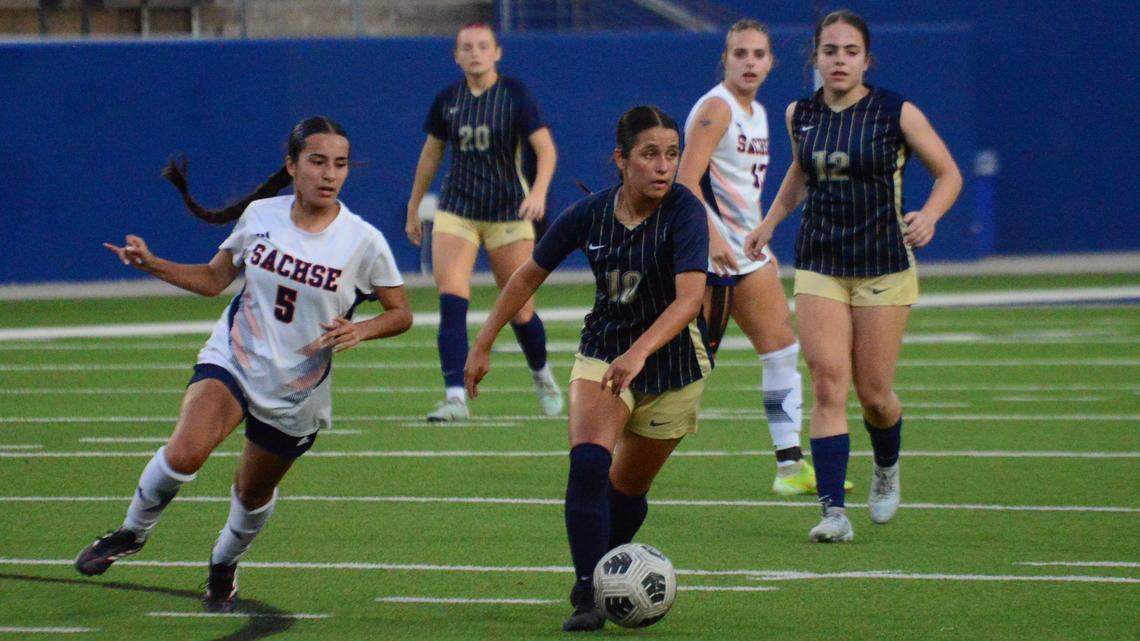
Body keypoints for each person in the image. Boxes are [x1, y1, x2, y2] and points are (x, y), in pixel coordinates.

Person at [74, 117, 413, 610]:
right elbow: (215, 280)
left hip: (296, 387)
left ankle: (224, 562)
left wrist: (361, 328)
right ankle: (130, 532)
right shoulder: (260, 217)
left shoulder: (363, 240)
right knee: (185, 452)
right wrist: (154, 264)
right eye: (317, 161)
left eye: (339, 164)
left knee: (251, 495)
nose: (329, 174)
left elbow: (401, 312)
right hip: (234, 357)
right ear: (292, 165)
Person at [465, 106, 710, 632]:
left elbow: (690, 300)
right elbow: (525, 278)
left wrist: (641, 352)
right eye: (649, 154)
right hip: (604, 352)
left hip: (673, 365)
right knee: (588, 466)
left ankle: (611, 569)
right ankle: (586, 592)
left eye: (672, 154)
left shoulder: (687, 212)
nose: (663, 166)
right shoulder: (589, 214)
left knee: (626, 493)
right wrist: (482, 343)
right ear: (620, 159)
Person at [745, 10, 962, 542]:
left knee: (876, 395)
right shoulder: (802, 113)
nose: (838, 60)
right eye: (829, 51)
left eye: (849, 52)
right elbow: (800, 171)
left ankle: (886, 468)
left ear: (866, 60)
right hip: (821, 262)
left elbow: (949, 173)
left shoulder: (897, 112)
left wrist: (930, 215)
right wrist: (769, 223)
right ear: (814, 57)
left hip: (883, 265)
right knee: (826, 383)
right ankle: (833, 512)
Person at [678, 18, 851, 497]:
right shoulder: (717, 108)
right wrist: (713, 238)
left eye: (758, 55)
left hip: (746, 256)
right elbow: (685, 182)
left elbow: (740, 189)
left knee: (781, 350)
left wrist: (760, 232)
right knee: (684, 368)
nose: (750, 62)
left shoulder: (758, 112)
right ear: (726, 59)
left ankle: (790, 465)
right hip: (707, 256)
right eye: (740, 54)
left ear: (771, 62)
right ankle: (616, 449)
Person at [406, 22, 561, 422]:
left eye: (482, 46)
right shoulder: (448, 100)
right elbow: (431, 155)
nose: (475, 53)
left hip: (508, 211)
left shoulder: (515, 95)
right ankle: (455, 397)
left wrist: (539, 192)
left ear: (497, 52)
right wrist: (414, 206)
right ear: (456, 55)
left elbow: (545, 149)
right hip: (457, 209)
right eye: (466, 47)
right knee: (452, 301)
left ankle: (542, 374)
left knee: (521, 310)